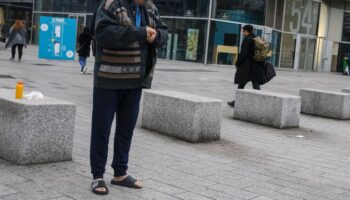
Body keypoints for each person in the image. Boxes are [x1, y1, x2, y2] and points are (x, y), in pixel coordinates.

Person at [90, 0, 168, 195]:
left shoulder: (150, 7)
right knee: (102, 128)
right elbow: (103, 34)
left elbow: (164, 33)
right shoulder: (111, 5)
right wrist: (141, 32)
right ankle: (98, 175)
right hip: (108, 79)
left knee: (126, 130)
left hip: (135, 81)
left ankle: (120, 173)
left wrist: (156, 36)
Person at [228, 25, 265, 107]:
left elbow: (243, 54)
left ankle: (236, 101)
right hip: (257, 65)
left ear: (247, 31)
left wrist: (237, 63)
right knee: (255, 83)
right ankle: (261, 102)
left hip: (247, 65)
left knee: (241, 82)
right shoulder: (257, 39)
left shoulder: (247, 40)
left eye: (243, 31)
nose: (242, 32)